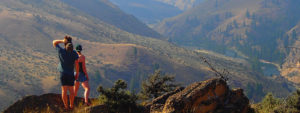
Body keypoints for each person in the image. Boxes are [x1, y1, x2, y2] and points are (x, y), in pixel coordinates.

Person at [53, 36, 79, 110]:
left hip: (63, 73)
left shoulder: (61, 51)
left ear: (65, 43)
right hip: (71, 74)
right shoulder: (74, 53)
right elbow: (77, 64)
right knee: (71, 90)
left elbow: (54, 42)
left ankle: (66, 106)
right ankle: (71, 105)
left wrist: (62, 40)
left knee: (64, 90)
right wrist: (77, 73)